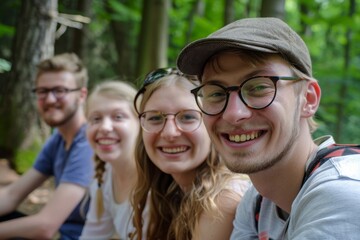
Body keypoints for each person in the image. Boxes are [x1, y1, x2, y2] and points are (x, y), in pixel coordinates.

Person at [176, 17, 360, 239]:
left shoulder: (343, 194)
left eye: (259, 87)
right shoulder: (258, 201)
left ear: (308, 99)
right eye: (216, 93)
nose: (234, 113)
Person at [130, 67, 250, 240]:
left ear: (213, 124)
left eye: (187, 117)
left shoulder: (220, 203)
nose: (169, 133)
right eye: (155, 118)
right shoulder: (166, 193)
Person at [0, 53, 94, 239]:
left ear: (81, 95)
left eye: (60, 90)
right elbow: (11, 194)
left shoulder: (88, 142)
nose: (50, 99)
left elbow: (45, 227)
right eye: (42, 91)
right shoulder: (58, 139)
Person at [80, 80, 149, 239]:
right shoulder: (104, 177)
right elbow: (92, 236)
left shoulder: (155, 183)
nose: (104, 127)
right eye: (95, 119)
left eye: (118, 117)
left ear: (141, 123)